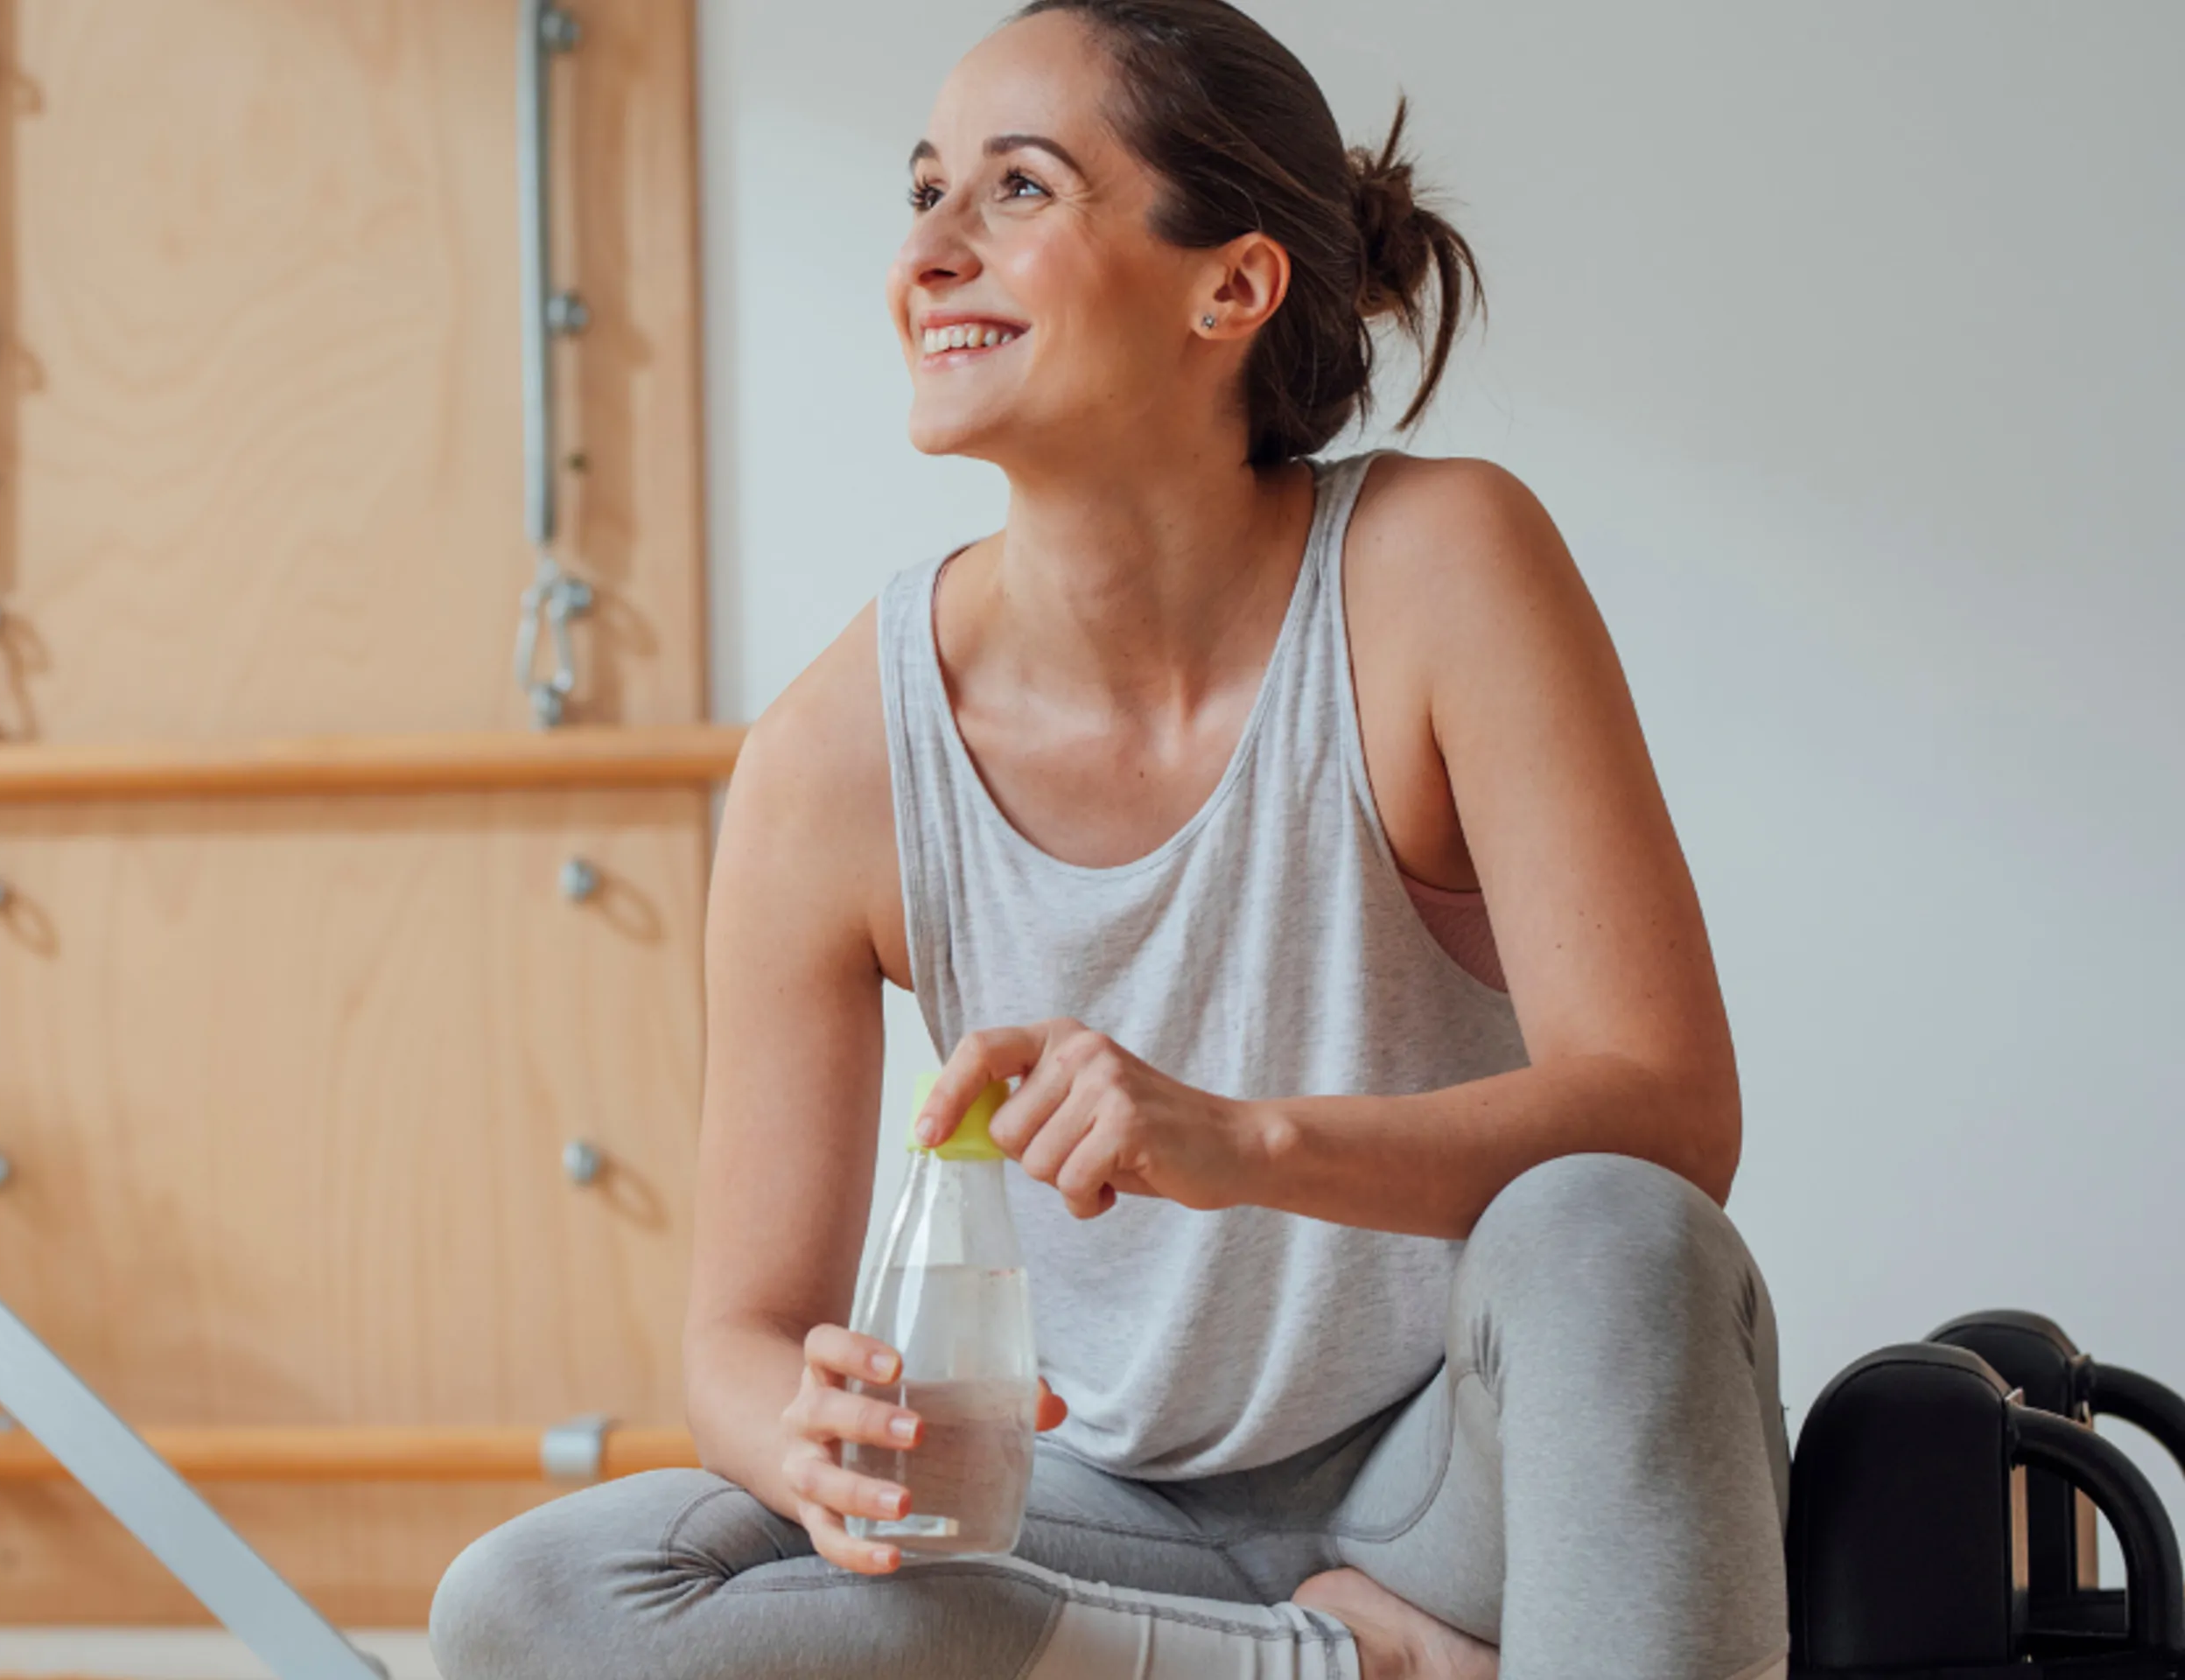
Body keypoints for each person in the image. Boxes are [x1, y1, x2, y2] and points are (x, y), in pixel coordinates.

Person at [428, 3, 1789, 1676]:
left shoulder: (1443, 571)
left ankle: (1389, 1635)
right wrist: (807, 1433)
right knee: (538, 1603)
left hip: (1457, 1485)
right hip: (1086, 1518)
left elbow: (1672, 1117)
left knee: (1615, 1233)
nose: (927, 253)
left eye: (1015, 190)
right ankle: (1323, 1670)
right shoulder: (833, 758)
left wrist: (1244, 1146)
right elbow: (739, 1333)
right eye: (921, 192)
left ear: (1231, 286)